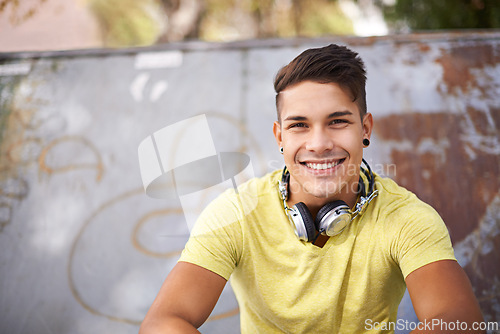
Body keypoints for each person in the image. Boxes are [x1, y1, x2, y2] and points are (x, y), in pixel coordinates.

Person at [139, 44, 485, 333]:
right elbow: (163, 322)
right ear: (280, 137)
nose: (318, 144)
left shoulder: (407, 218)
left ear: (365, 128)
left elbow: (457, 322)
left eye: (337, 122)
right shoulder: (235, 212)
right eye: (299, 125)